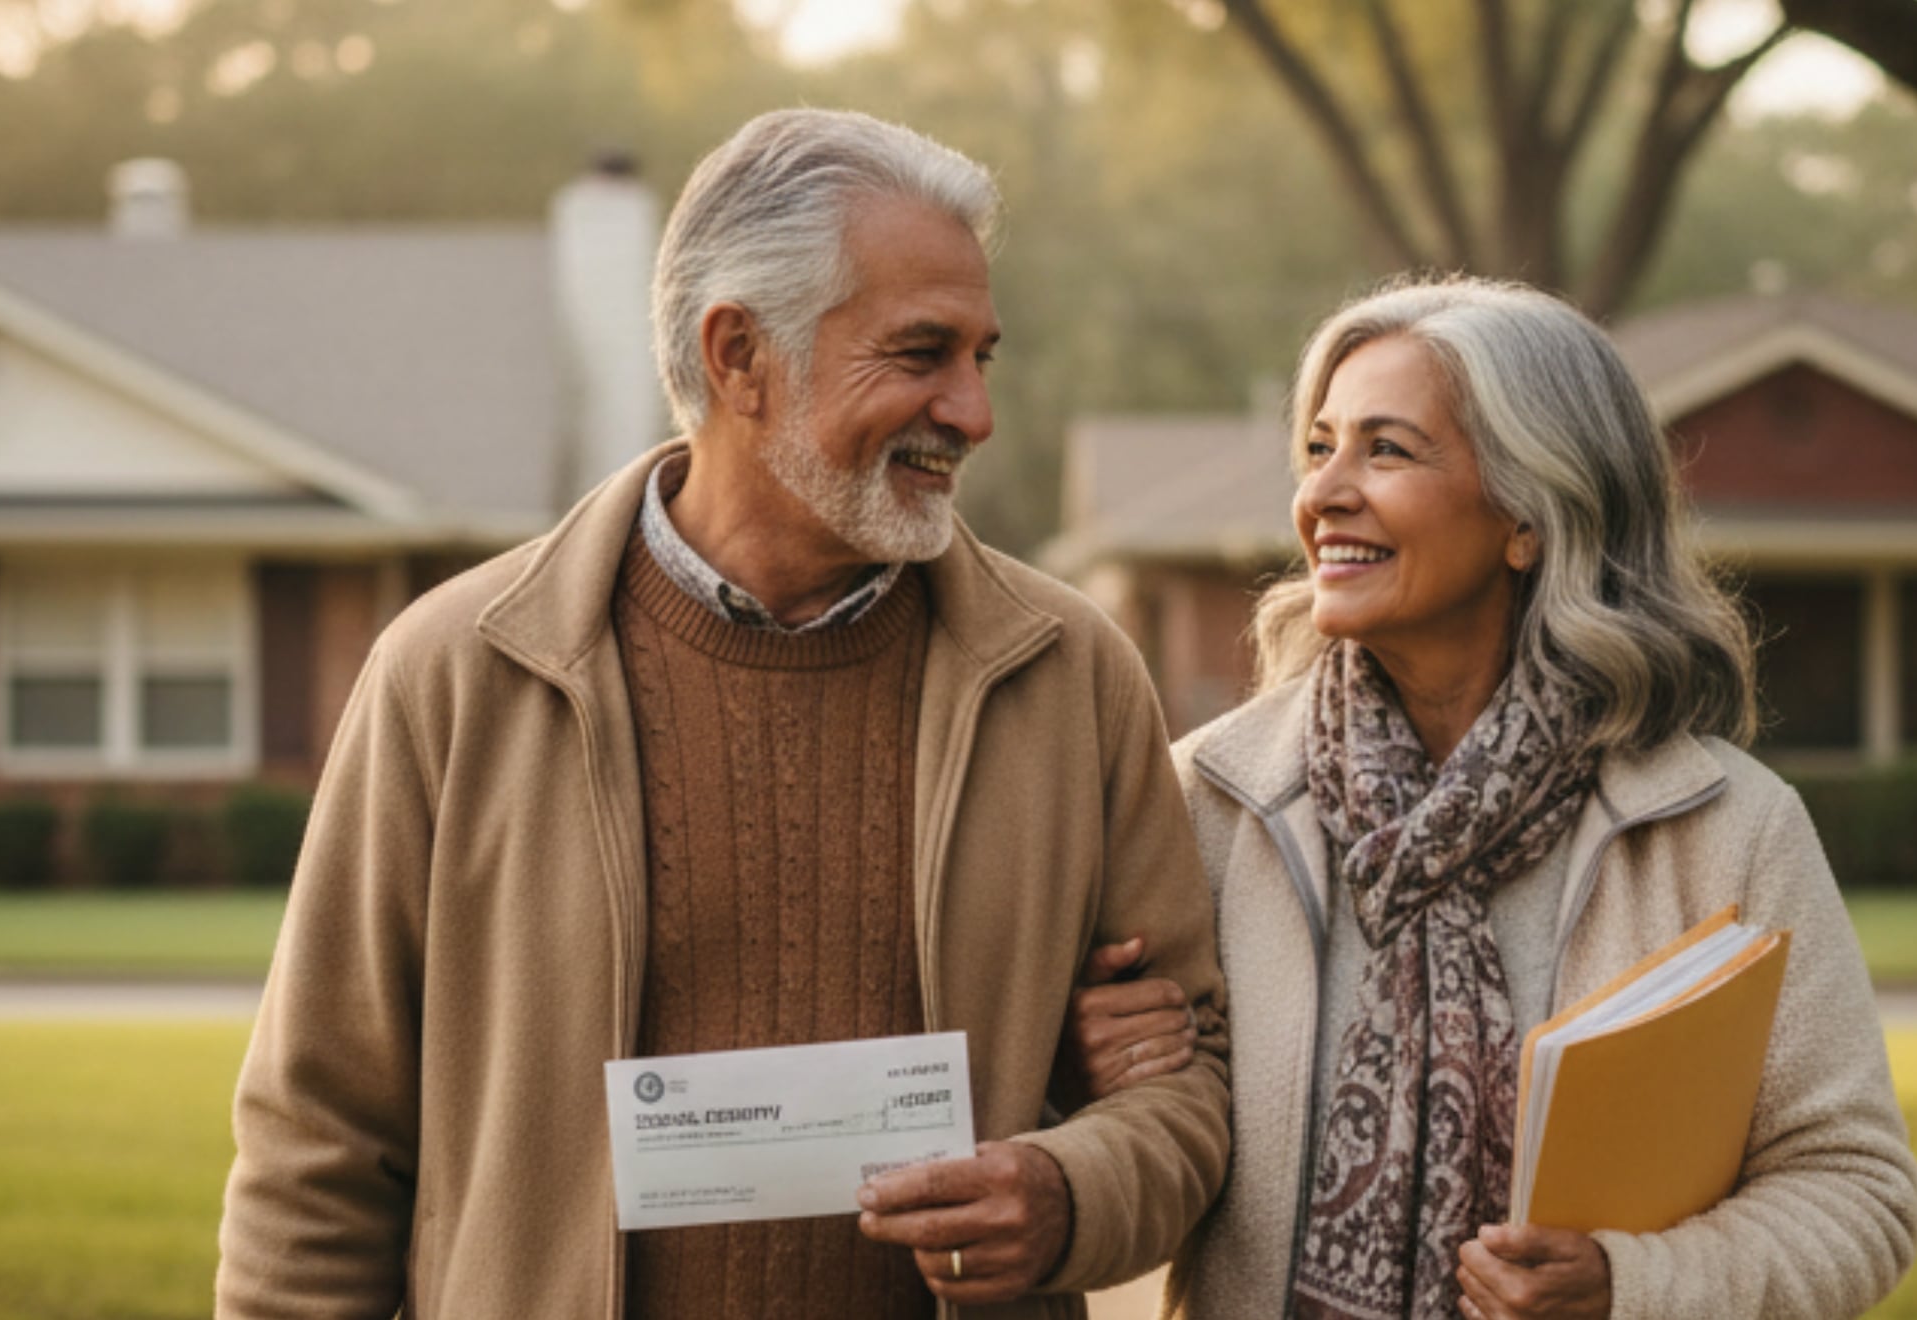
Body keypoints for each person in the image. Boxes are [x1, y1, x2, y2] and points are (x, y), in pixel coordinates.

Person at [216, 109, 1230, 1320]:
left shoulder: (1071, 679)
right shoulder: (452, 674)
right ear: (740, 355)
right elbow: (317, 1150)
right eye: (920, 354)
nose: (972, 412)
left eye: (981, 357)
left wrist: (1069, 1190)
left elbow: (1192, 1087)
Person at [1062, 278, 1917, 1320]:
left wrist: (1630, 1285)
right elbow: (1120, 1158)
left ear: (1529, 512)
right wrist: (1109, 1073)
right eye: (1319, 446)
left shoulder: (1721, 829)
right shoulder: (1207, 798)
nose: (1324, 493)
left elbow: (1855, 1191)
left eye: (1386, 449)